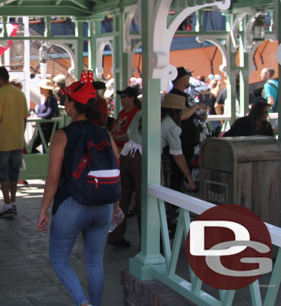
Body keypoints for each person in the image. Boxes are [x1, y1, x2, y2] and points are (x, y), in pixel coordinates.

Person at [37, 72, 119, 306]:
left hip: (72, 206)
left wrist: (44, 209)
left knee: (59, 259)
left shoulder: (63, 135)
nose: (65, 104)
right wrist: (116, 204)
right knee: (94, 261)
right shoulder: (104, 133)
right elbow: (116, 166)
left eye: (67, 101)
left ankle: (83, 303)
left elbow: (53, 179)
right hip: (102, 206)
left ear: (73, 106)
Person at [107, 93, 197, 248]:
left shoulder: (142, 113)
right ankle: (149, 244)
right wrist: (189, 176)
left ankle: (115, 235)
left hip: (126, 156)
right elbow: (178, 155)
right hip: (145, 160)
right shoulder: (171, 125)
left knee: (122, 198)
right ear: (178, 111)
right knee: (147, 202)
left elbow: (129, 133)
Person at [0, 67, 29, 219]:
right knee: (14, 174)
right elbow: (25, 117)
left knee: (3, 175)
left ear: (0, 78)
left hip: (2, 141)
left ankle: (7, 204)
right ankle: (13, 203)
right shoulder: (20, 94)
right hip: (17, 140)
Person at [168, 67, 206, 192]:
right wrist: (195, 107)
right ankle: (175, 203)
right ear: (181, 79)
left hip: (191, 139)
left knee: (188, 169)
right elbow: (181, 116)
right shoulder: (174, 96)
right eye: (187, 77)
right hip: (181, 139)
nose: (189, 79)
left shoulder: (184, 95)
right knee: (178, 172)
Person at [32, 79, 60, 153]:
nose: (40, 90)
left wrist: (38, 117)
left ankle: (44, 161)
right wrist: (37, 116)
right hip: (41, 128)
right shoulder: (41, 99)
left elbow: (49, 113)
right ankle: (41, 161)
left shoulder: (52, 99)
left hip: (49, 129)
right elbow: (37, 112)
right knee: (31, 147)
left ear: (48, 90)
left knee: (42, 148)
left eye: (42, 88)